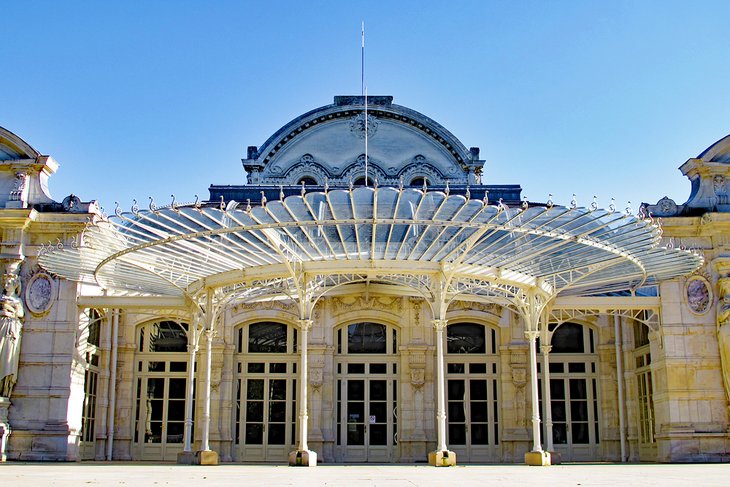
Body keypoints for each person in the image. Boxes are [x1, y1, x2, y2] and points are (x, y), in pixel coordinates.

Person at [0, 274, 23, 398]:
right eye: (5, 283)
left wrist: (10, 311)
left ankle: (5, 388)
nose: (6, 285)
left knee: (7, 357)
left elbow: (20, 313)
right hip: (2, 327)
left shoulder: (17, 300)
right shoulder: (1, 297)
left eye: (9, 283)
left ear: (15, 285)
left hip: (11, 330)